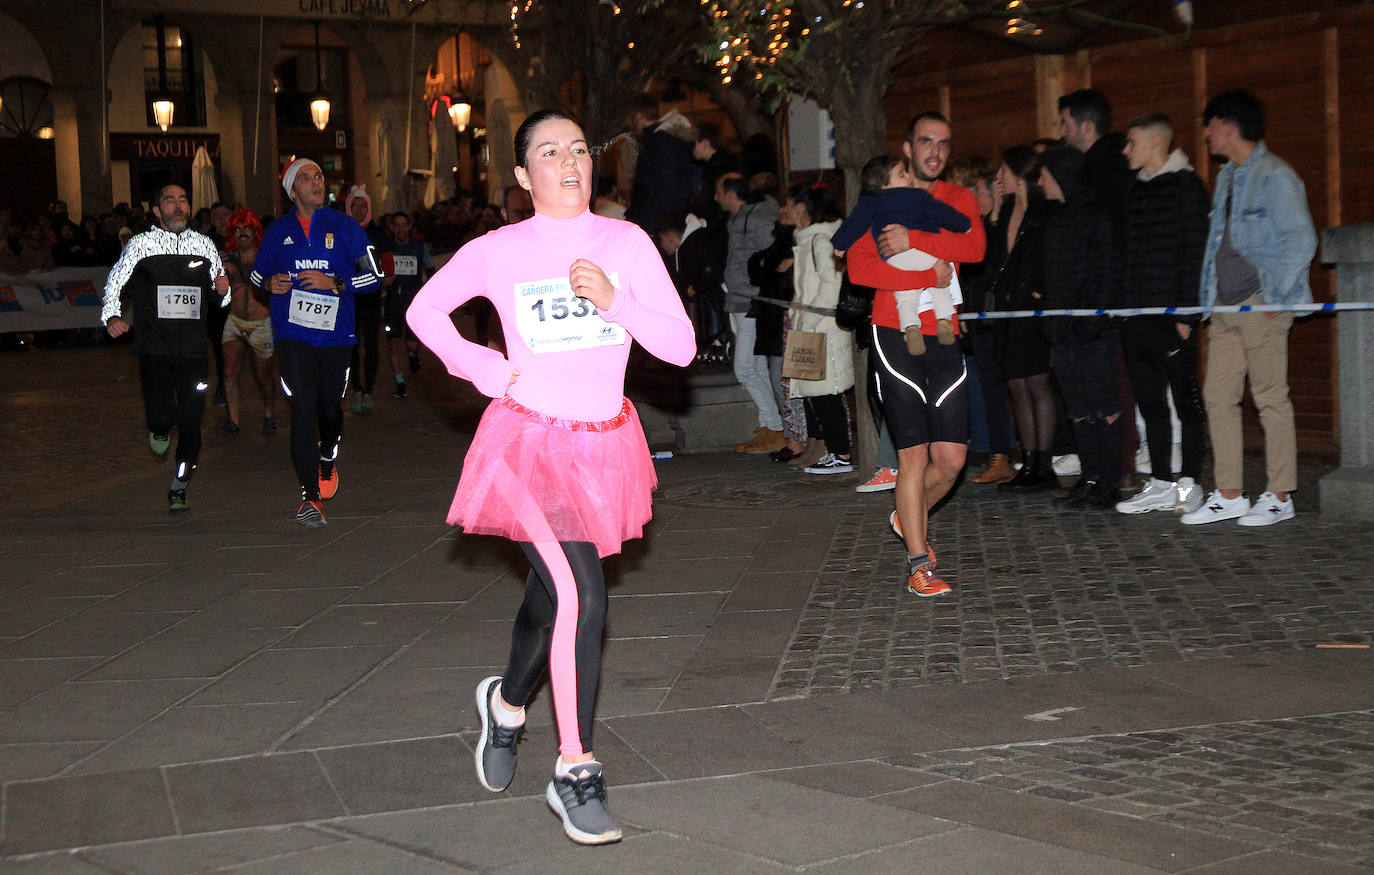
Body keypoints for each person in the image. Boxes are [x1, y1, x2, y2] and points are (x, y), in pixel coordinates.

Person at [406, 109, 694, 845]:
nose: (569, 161)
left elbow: (681, 347)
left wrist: (617, 301)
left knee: (549, 601)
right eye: (549, 151)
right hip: (526, 446)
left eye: (579, 150)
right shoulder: (499, 249)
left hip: (602, 448)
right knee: (579, 594)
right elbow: (424, 309)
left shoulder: (625, 243)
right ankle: (575, 767)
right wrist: (481, 366)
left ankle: (505, 705)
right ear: (522, 175)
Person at [846, 111, 986, 597]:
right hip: (895, 333)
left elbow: (974, 247)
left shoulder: (958, 198)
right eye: (926, 142)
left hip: (944, 337)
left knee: (951, 460)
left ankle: (908, 516)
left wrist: (914, 240)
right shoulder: (880, 202)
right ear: (908, 149)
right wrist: (926, 274)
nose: (935, 152)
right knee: (913, 455)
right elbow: (860, 269)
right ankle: (919, 564)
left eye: (943, 144)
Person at [1181, 89, 1317, 527]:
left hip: (1260, 303)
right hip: (1224, 304)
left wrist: (1276, 295)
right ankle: (1229, 494)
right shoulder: (1227, 176)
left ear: (1228, 125)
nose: (1206, 134)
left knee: (1270, 397)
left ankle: (1279, 496)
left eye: (1210, 125)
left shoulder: (1276, 174)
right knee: (1218, 396)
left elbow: (1301, 238)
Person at [250, 158, 382, 528]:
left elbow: (374, 275)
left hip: (337, 336)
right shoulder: (278, 231)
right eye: (306, 178)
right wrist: (269, 284)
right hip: (293, 336)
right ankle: (310, 497)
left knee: (329, 410)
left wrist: (334, 283)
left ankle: (327, 456)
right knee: (302, 410)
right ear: (292, 191)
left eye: (319, 176)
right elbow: (257, 275)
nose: (316, 182)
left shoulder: (344, 226)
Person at [100, 183, 230, 512]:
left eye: (183, 200)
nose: (178, 205)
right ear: (157, 210)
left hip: (193, 352)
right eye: (170, 200)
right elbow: (115, 282)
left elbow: (220, 298)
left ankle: (180, 486)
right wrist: (112, 316)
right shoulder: (141, 244)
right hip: (154, 349)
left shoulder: (204, 245)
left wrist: (223, 289)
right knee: (161, 418)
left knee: (191, 423)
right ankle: (158, 428)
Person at [1114, 114, 1209, 516]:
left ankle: (1190, 483)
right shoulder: (1134, 189)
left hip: (1172, 318)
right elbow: (1125, 253)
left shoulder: (1187, 186)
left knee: (1185, 402)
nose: (1125, 151)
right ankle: (1161, 481)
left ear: (1156, 142)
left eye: (1132, 142)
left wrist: (1186, 314)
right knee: (1150, 402)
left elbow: (1195, 252)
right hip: (1136, 314)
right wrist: (1124, 309)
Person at [1038, 146, 1123, 510]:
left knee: (1103, 405)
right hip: (1062, 331)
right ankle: (1090, 478)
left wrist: (1090, 321)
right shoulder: (1054, 218)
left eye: (1045, 174)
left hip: (1092, 331)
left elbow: (1106, 272)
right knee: (1077, 409)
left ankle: (1109, 481)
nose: (1040, 181)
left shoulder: (1098, 215)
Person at [832, 155, 972, 354]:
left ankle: (910, 327)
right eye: (901, 174)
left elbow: (855, 223)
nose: (908, 176)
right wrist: (964, 225)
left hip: (894, 257)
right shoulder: (917, 197)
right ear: (884, 184)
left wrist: (840, 244)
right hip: (924, 251)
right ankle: (944, 319)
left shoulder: (870, 203)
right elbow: (940, 212)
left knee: (905, 295)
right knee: (940, 282)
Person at [987, 146, 1058, 494]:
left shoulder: (1045, 211)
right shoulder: (1008, 210)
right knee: (1016, 385)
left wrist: (1039, 294)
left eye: (1003, 171)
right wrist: (994, 214)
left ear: (1018, 174)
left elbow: (1049, 259)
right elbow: (993, 261)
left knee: (1037, 383)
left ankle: (1044, 464)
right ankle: (1028, 462)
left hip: (1035, 309)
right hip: (1008, 309)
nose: (998, 178)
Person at [781, 183, 855, 474]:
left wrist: (807, 321)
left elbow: (831, 286)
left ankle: (841, 453)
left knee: (827, 393)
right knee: (816, 393)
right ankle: (831, 449)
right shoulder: (809, 240)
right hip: (812, 327)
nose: (785, 210)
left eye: (790, 205)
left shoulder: (820, 241)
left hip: (822, 329)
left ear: (802, 210)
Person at [717, 171, 784, 453]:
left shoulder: (756, 220)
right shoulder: (736, 221)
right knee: (755, 367)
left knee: (744, 368)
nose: (716, 197)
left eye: (719, 192)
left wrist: (758, 286)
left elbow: (774, 255)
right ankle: (770, 426)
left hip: (750, 301)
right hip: (738, 299)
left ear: (731, 195)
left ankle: (776, 426)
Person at [219, 209, 277, 436]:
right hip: (234, 322)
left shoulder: (266, 256)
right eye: (237, 229)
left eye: (246, 228)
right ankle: (233, 420)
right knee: (229, 371)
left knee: (263, 376)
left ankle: (269, 414)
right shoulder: (227, 258)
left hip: (261, 324)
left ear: (255, 231)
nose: (242, 232)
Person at [624, 93, 696, 235]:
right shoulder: (664, 140)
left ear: (638, 116)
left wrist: (652, 225)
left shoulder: (658, 143)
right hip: (661, 221)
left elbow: (662, 187)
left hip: (656, 224)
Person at [379, 210, 432, 398]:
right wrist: (383, 281)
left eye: (404, 225)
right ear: (392, 228)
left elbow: (431, 270)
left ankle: (413, 355)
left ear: (409, 227)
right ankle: (400, 382)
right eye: (397, 225)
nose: (401, 229)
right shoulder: (386, 249)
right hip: (393, 303)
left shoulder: (419, 247)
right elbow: (379, 273)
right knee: (393, 344)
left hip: (413, 303)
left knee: (412, 344)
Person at [346, 187, 383, 414]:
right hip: (349, 301)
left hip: (371, 301)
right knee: (351, 347)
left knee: (371, 347)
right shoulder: (342, 233)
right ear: (348, 208)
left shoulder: (377, 234)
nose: (359, 210)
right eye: (354, 206)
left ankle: (368, 389)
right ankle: (357, 389)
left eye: (363, 206)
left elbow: (387, 264)